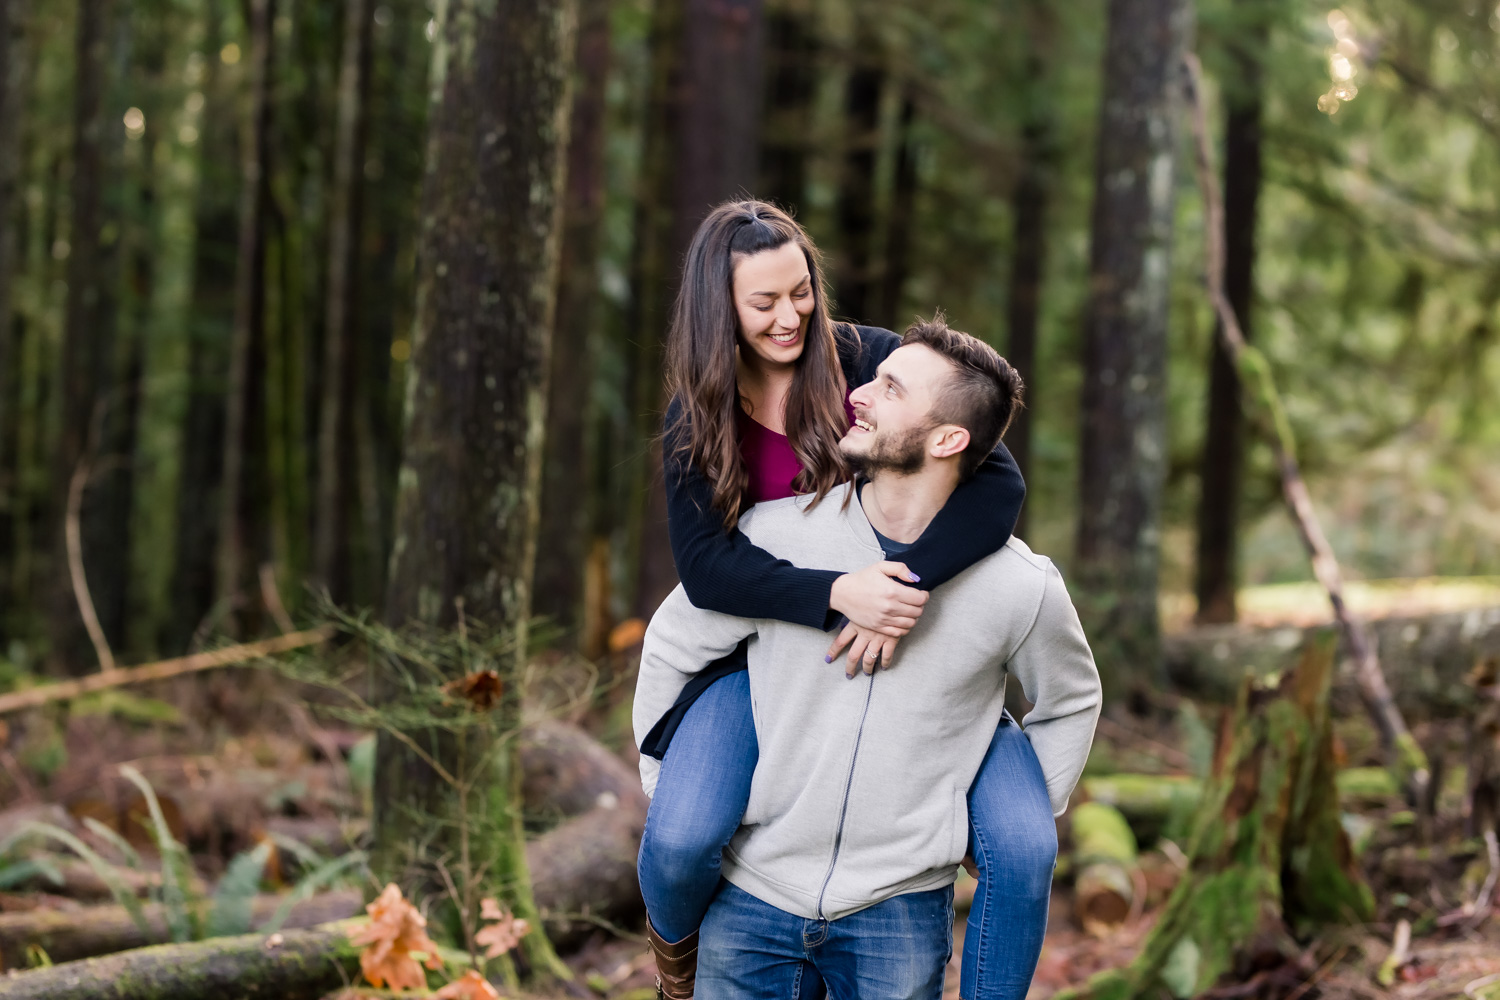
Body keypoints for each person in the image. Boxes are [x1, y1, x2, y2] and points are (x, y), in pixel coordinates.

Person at [637, 200, 1050, 1000]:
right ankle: (676, 971)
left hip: (910, 661)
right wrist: (838, 595)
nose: (790, 315)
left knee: (1021, 847)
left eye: (801, 291)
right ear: (716, 307)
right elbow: (708, 571)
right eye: (763, 302)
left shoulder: (870, 361)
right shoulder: (695, 418)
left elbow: (1001, 481)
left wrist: (902, 588)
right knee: (682, 839)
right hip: (756, 660)